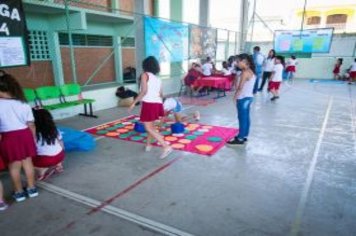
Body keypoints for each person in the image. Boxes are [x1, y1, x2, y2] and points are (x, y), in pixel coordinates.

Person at [0, 71, 39, 202]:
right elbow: (31, 124)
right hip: (25, 135)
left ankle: (19, 192)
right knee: (28, 162)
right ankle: (32, 188)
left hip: (9, 137)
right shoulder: (23, 103)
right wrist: (33, 139)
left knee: (14, 166)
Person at [128, 56, 173, 158]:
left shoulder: (144, 75)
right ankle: (148, 144)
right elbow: (161, 94)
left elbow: (144, 91)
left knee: (148, 127)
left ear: (145, 65)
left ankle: (166, 146)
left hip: (149, 104)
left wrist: (133, 103)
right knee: (151, 126)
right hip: (157, 104)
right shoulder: (158, 79)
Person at [227, 53, 256, 146]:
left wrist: (235, 97)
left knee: (242, 118)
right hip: (249, 97)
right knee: (246, 117)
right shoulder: (250, 71)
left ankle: (240, 138)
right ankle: (244, 135)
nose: (237, 63)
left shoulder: (245, 72)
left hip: (243, 98)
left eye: (238, 61)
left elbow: (240, 87)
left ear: (244, 61)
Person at [32, 108, 65, 181]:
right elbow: (61, 142)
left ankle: (42, 171)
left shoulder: (33, 133)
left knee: (24, 163)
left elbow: (31, 149)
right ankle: (58, 165)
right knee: (54, 151)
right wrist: (62, 152)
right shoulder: (54, 129)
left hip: (45, 160)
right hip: (60, 156)